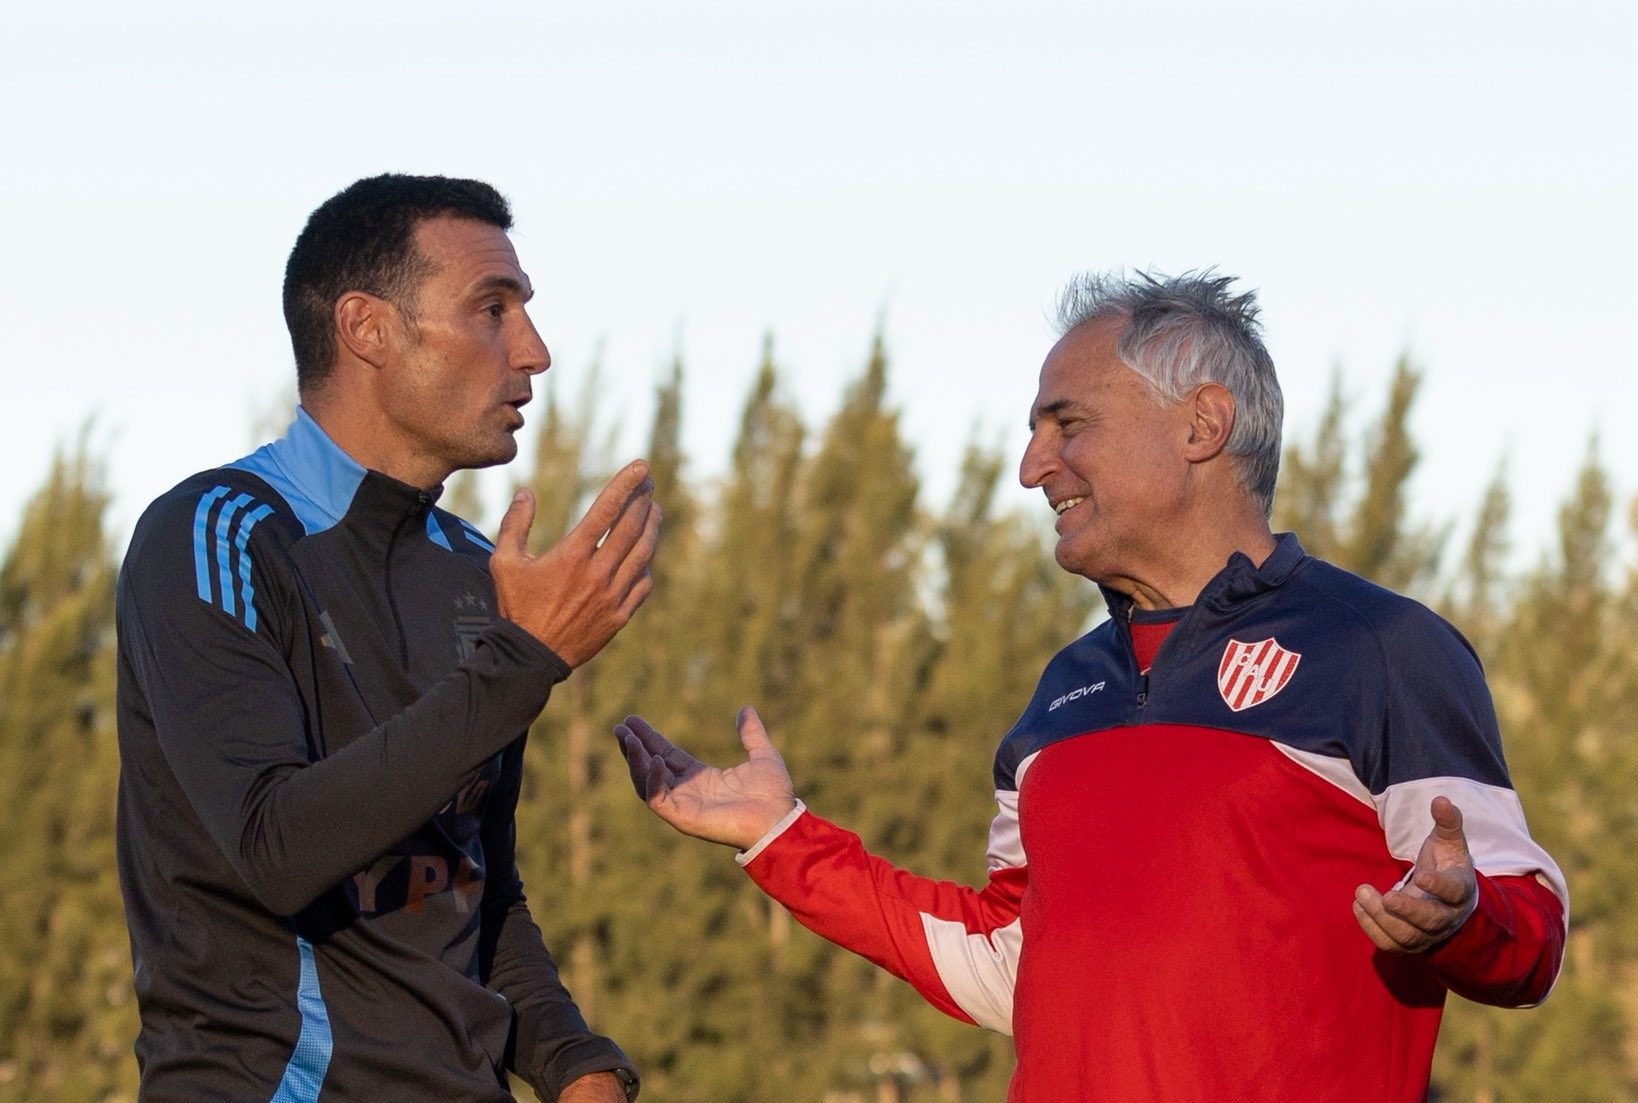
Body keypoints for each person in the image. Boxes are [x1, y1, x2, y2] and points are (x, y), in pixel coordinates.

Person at [614, 271, 1567, 1102]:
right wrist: (784, 839)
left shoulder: (1382, 646)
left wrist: (1462, 918)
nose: (1032, 467)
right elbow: (1010, 962)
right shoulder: (1063, 690)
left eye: (1066, 424)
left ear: (1202, 425)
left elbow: (1532, 935)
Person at [115, 174, 656, 1102]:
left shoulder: (477, 573)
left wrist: (573, 1060)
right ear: (366, 328)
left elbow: (475, 883)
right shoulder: (215, 534)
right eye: (493, 308)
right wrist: (522, 662)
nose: (535, 350)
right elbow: (274, 844)